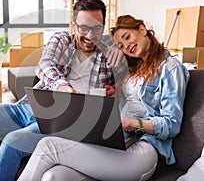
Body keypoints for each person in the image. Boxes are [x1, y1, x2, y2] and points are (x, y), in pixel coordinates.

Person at [0, 0, 124, 181]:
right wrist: (63, 86)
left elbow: (130, 84)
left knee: (13, 141)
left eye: (96, 29)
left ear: (104, 27)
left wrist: (117, 88)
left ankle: (13, 157)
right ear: (73, 25)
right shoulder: (61, 39)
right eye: (84, 28)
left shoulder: (110, 53)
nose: (90, 36)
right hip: (28, 108)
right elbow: (45, 65)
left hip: (63, 121)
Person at [17, 15, 190, 181]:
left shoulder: (171, 69)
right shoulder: (135, 69)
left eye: (127, 36)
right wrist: (116, 96)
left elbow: (172, 124)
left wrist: (133, 124)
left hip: (144, 150)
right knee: (54, 176)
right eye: (121, 45)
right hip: (118, 141)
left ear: (142, 29)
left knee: (49, 146)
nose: (127, 46)